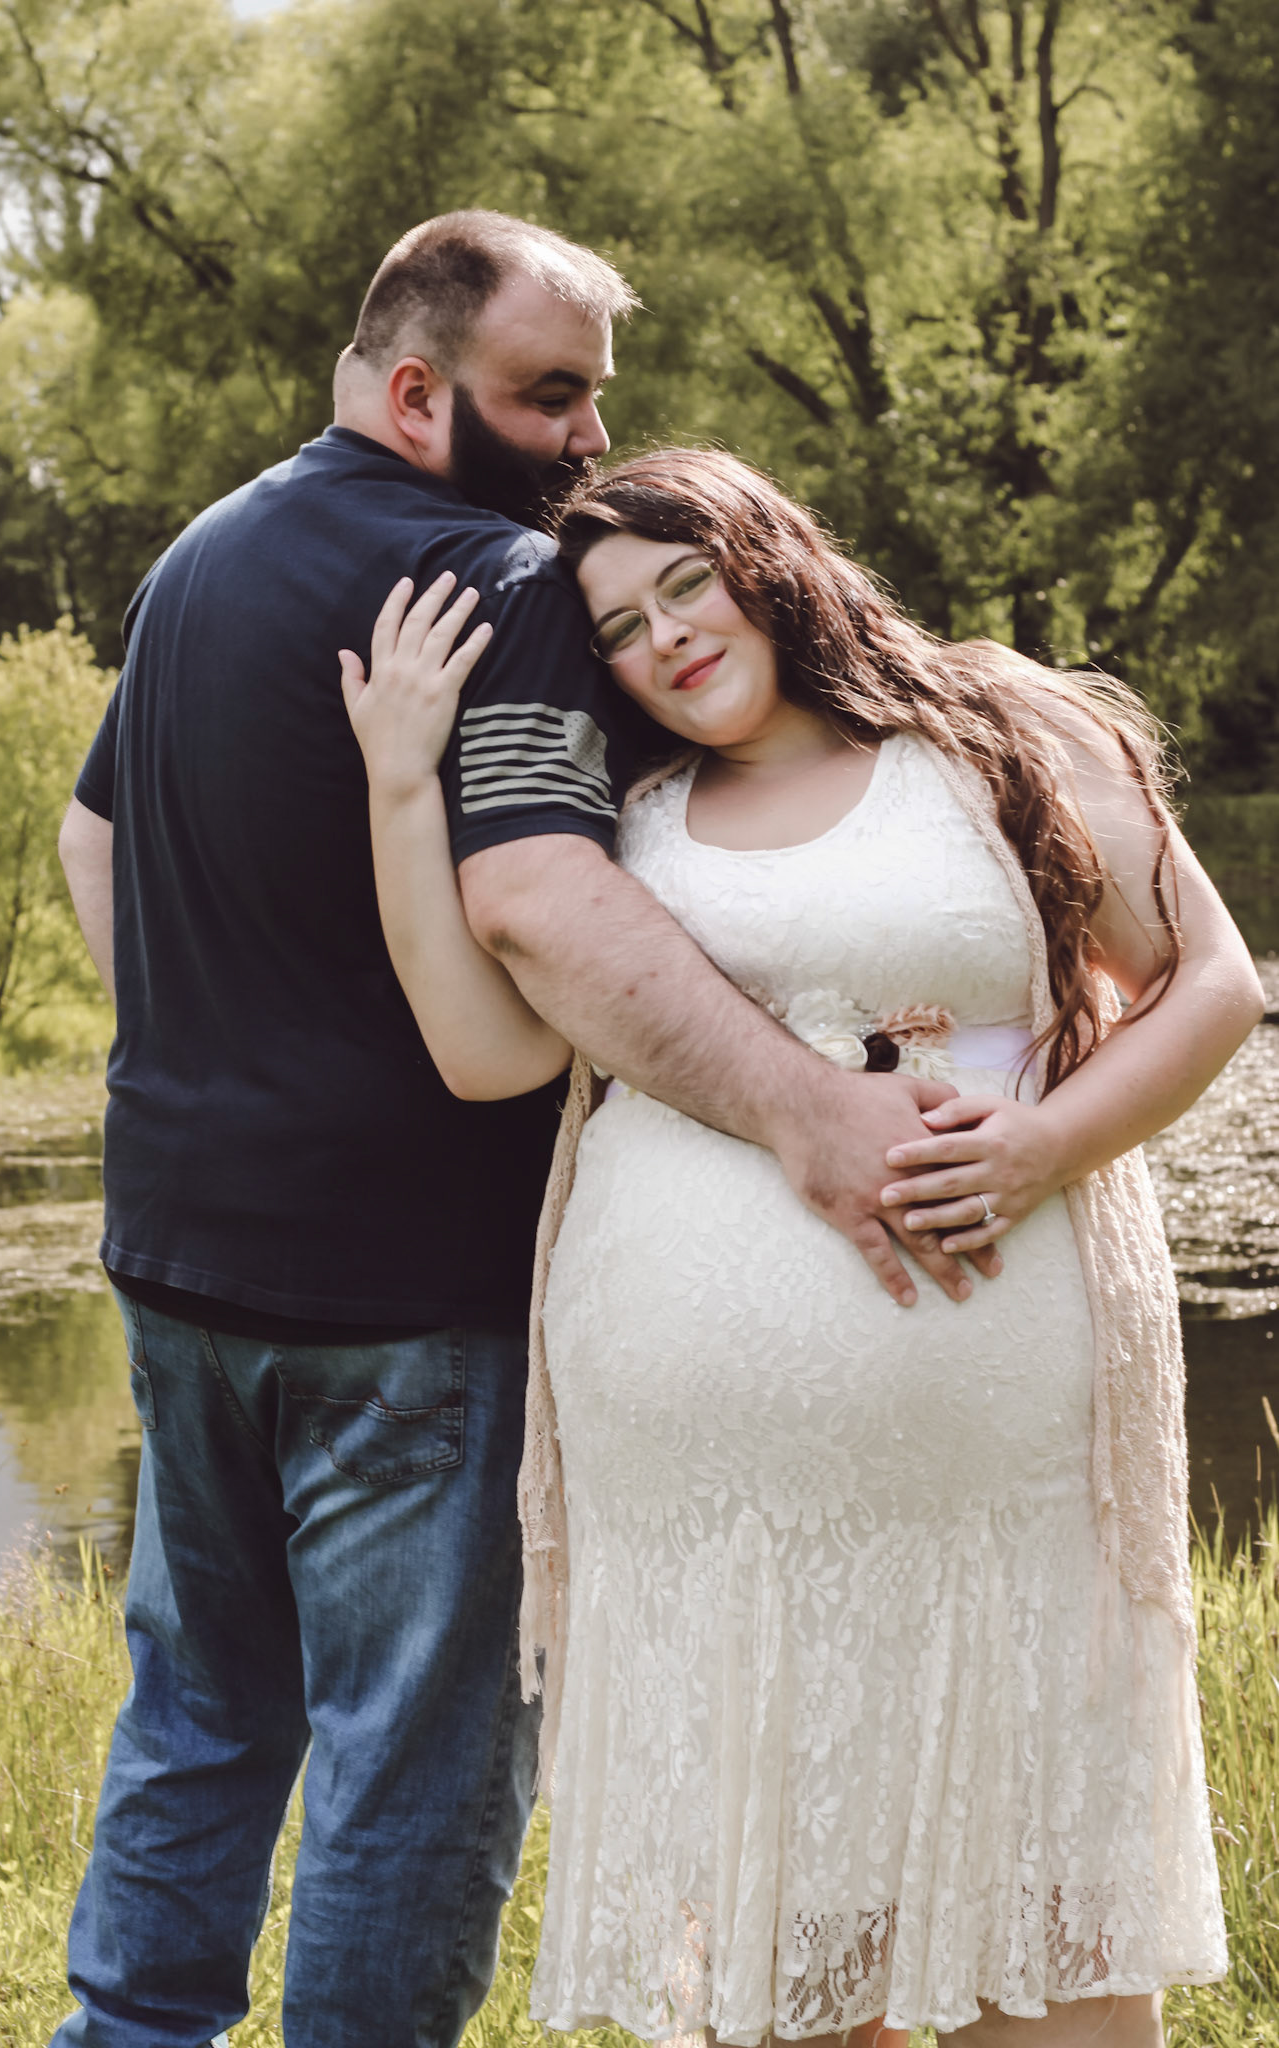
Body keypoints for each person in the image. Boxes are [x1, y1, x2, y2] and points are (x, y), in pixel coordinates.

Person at [54, 215, 991, 2048]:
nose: (586, 439)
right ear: (419, 394)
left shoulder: (198, 555)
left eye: (592, 397)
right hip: (409, 1293)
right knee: (413, 1762)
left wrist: (225, 1050)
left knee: (200, 1711)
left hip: (178, 1254)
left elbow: (92, 844)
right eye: (549, 395)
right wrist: (811, 1110)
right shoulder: (499, 579)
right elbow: (546, 904)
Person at [342, 447, 1263, 2048]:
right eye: (618, 628)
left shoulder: (996, 728)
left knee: (1051, 1934)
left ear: (770, 557)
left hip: (998, 1475)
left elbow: (1210, 983)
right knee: (786, 1972)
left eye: (684, 584)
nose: (664, 639)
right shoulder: (628, 823)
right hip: (711, 1511)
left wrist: (1045, 1143)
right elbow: (484, 1054)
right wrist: (403, 786)